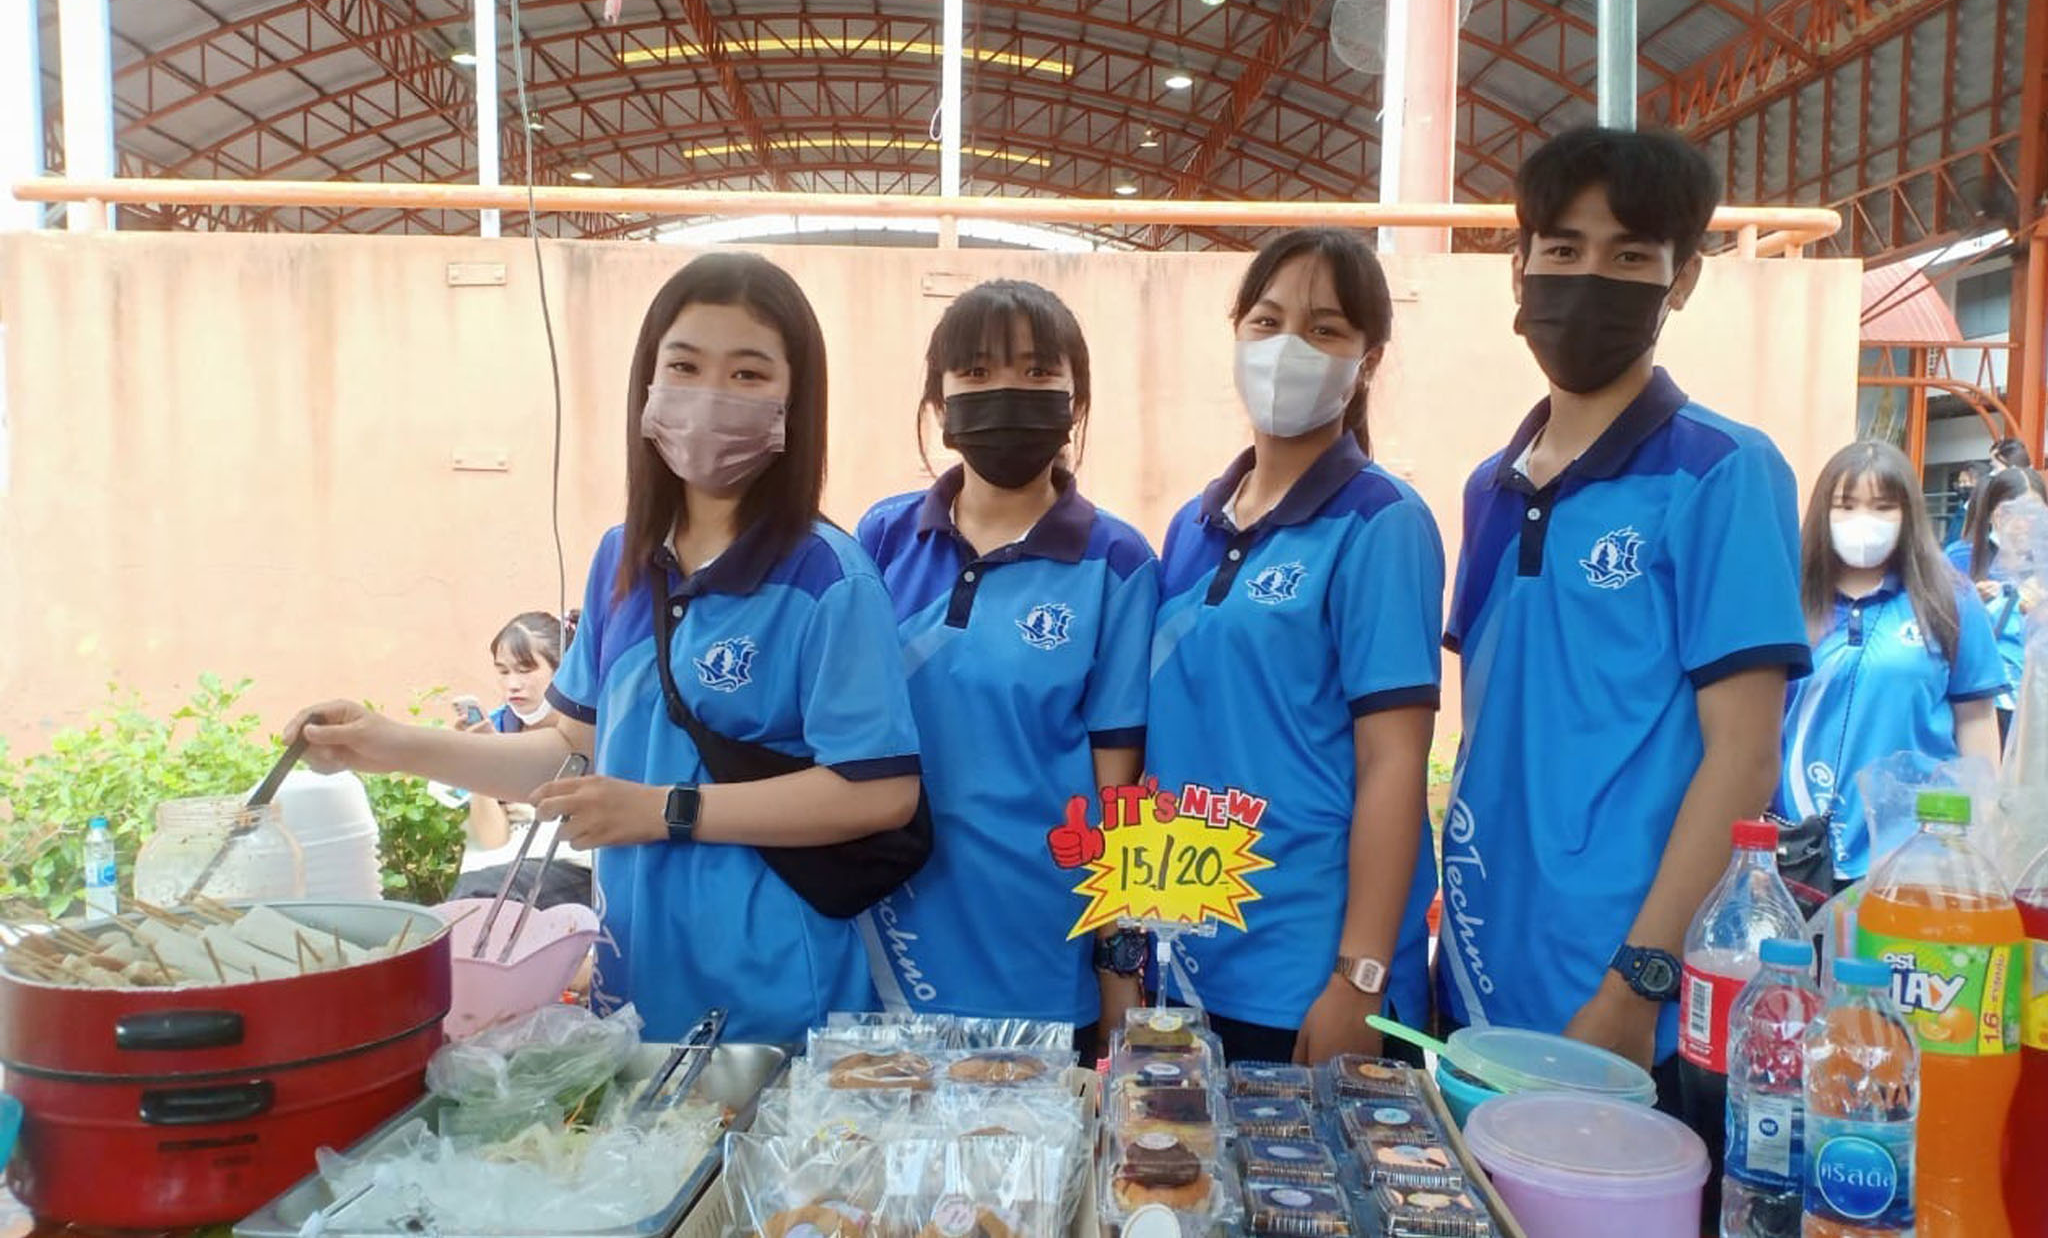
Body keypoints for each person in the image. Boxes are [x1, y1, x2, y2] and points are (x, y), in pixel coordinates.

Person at [287, 253, 922, 1043]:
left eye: (749, 374)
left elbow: (877, 791)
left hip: (779, 1009)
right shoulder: (623, 558)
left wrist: (664, 811)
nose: (710, 397)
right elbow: (569, 750)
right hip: (637, 994)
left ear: (797, 399)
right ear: (648, 388)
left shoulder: (830, 578)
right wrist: (390, 744)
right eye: (684, 365)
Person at [1435, 128, 1812, 1110]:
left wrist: (1636, 982)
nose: (1587, 277)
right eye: (1561, 250)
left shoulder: (1720, 474)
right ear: (1516, 265)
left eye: (1628, 255)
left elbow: (1742, 760)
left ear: (1679, 280)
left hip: (1625, 1008)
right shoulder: (1487, 487)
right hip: (1476, 975)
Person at [1146, 227, 1442, 1066]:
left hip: (1305, 974)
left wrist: (1359, 977)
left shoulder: (1381, 522)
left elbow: (1394, 762)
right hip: (1185, 959)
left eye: (1324, 329)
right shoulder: (1192, 525)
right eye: (1267, 321)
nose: (1288, 349)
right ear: (1236, 331)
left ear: (1367, 359)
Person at [857, 280, 1158, 1048]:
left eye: (1035, 372)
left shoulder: (1117, 562)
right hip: (883, 944)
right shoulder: (882, 539)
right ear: (939, 400)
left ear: (1074, 400)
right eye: (978, 372)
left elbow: (1117, 789)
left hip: (1039, 958)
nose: (1007, 393)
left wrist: (1119, 972)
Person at [1777, 442, 2003, 882]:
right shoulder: (1786, 597)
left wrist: (1983, 825)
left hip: (1917, 852)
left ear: (1908, 515)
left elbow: (1976, 719)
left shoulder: (1950, 599)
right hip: (1799, 849)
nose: (1864, 521)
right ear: (1823, 512)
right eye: (1846, 505)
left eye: (1883, 507)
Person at [443, 612, 594, 911]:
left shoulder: (591, 731)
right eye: (503, 671)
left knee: (483, 900)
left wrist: (542, 805)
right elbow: (492, 840)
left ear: (564, 670)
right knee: (473, 903)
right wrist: (480, 757)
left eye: (525, 670)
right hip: (495, 877)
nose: (512, 684)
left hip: (573, 869)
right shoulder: (498, 728)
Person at [1962, 464, 2047, 740]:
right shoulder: (1960, 560)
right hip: (1984, 709)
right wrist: (1968, 605)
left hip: (2037, 711)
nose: (2022, 522)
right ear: (1991, 515)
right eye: (2009, 511)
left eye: (2032, 511)